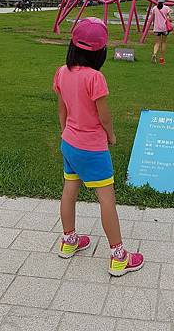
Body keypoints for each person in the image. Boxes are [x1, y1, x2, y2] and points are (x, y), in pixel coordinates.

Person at [53, 17, 144, 277]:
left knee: (69, 190)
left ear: (72, 44)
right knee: (106, 199)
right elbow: (104, 116)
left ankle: (69, 240)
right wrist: (111, 136)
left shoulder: (61, 72)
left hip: (69, 143)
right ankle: (119, 256)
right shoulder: (96, 78)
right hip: (92, 148)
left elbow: (62, 108)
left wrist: (64, 132)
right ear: (101, 51)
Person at [150, 0, 172, 65]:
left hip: (156, 28)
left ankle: (154, 54)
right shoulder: (166, 8)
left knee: (157, 43)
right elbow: (170, 19)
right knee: (163, 42)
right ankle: (162, 58)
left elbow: (153, 17)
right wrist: (169, 17)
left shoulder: (154, 8)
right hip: (164, 28)